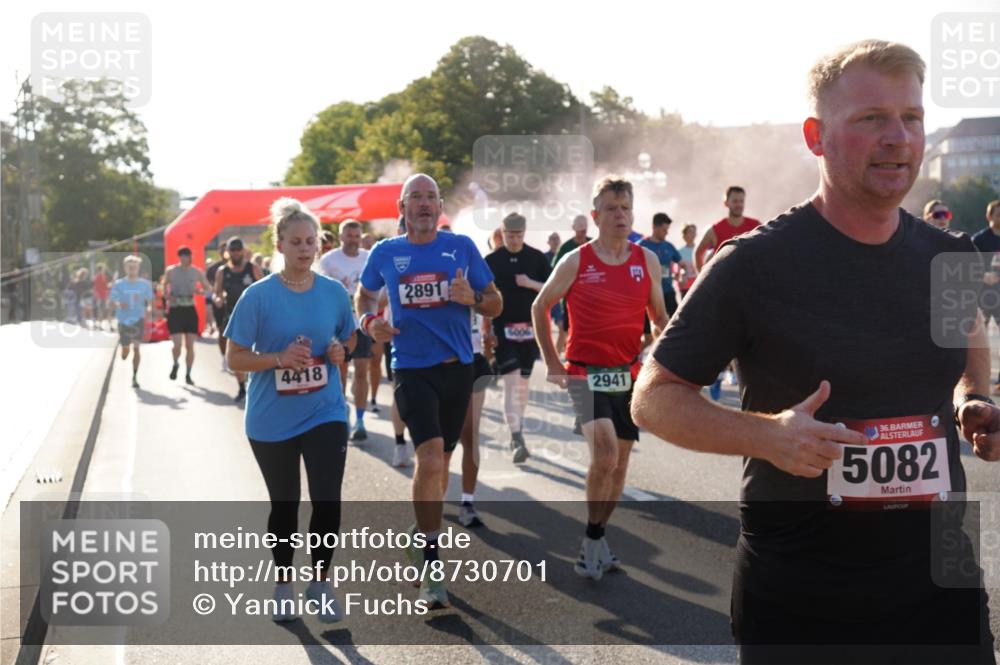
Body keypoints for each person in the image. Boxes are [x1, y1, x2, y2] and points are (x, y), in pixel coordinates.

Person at [631, 40, 999, 664]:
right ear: (816, 136)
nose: (897, 137)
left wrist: (975, 400)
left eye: (911, 117)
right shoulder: (753, 264)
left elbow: (969, 344)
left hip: (942, 594)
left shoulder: (949, 256)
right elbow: (653, 398)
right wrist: (769, 436)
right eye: (870, 118)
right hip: (805, 604)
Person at [358, 173, 502, 608]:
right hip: (411, 369)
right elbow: (364, 298)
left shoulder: (459, 247)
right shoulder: (386, 252)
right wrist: (370, 323)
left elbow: (496, 301)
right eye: (415, 198)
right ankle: (432, 567)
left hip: (457, 369)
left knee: (441, 467)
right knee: (429, 455)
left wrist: (472, 299)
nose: (423, 204)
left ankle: (422, 534)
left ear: (439, 206)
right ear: (402, 208)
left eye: (430, 197)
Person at [225, 197, 356, 624]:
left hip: (325, 410)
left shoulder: (334, 293)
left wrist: (340, 351)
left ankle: (319, 583)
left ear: (318, 245)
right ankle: (283, 584)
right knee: (285, 503)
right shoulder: (257, 297)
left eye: (310, 241)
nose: (304, 248)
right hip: (271, 418)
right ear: (279, 244)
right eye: (295, 241)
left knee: (326, 498)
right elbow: (235, 358)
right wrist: (278, 358)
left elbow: (348, 341)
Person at [531, 176, 667, 581]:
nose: (620, 214)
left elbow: (659, 319)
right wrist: (552, 361)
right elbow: (541, 306)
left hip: (629, 373)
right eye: (611, 208)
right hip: (583, 372)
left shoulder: (648, 261)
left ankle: (598, 535)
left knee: (621, 464)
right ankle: (591, 540)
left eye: (626, 207)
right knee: (605, 454)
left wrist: (671, 354)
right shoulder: (576, 260)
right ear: (596, 216)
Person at [485, 212, 551, 463]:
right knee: (512, 382)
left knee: (522, 385)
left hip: (530, 328)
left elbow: (553, 289)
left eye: (518, 235)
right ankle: (516, 437)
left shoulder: (536, 258)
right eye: (510, 235)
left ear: (525, 233)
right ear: (502, 233)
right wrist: (486, 332)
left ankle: (518, 427)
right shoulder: (491, 260)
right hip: (503, 329)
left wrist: (529, 283)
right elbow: (481, 298)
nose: (514, 240)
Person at [320, 219, 372, 441]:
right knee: (340, 371)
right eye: (349, 235)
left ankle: (360, 420)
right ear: (341, 236)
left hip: (361, 323)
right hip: (338, 325)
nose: (353, 240)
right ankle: (342, 413)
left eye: (356, 236)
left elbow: (378, 289)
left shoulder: (368, 258)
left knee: (362, 370)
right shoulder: (328, 260)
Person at [448, 309, 495, 527]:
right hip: (442, 361)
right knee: (443, 441)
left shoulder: (478, 277)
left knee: (470, 434)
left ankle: (468, 502)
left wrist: (488, 337)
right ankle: (433, 497)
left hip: (474, 361)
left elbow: (489, 308)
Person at [214, 237, 264, 401]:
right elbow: (217, 292)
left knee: (256, 351)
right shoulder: (222, 271)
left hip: (254, 315)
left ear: (243, 250)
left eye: (238, 249)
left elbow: (265, 289)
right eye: (232, 250)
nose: (236, 252)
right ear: (227, 252)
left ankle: (255, 382)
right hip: (232, 315)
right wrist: (218, 298)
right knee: (235, 352)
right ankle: (242, 387)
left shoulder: (253, 268)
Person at [163, 246, 213, 385]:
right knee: (177, 345)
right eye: (184, 256)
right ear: (180, 257)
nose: (187, 258)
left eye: (189, 256)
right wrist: (167, 295)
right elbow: (163, 285)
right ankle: (175, 363)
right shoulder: (171, 271)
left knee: (190, 346)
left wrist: (200, 291)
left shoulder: (196, 272)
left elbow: (208, 287)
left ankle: (188, 374)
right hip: (175, 310)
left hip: (190, 309)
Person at [110, 256, 154, 388]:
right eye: (130, 267)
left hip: (138, 318)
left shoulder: (144, 284)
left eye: (134, 267)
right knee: (126, 349)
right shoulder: (118, 284)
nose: (132, 269)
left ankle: (134, 377)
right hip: (123, 319)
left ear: (138, 268)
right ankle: (124, 350)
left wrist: (149, 308)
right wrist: (118, 303)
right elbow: (113, 300)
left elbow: (151, 299)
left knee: (137, 348)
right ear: (125, 268)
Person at [639, 212, 682, 347]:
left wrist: (681, 274)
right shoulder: (641, 245)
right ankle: (632, 358)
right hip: (648, 296)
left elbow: (682, 264)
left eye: (667, 230)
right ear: (654, 227)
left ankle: (670, 356)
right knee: (648, 336)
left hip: (668, 292)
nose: (666, 233)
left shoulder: (668, 246)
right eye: (664, 230)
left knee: (676, 326)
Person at [971, 199, 1000, 392]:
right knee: (977, 342)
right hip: (982, 296)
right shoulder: (979, 240)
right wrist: (983, 276)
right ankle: (976, 382)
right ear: (989, 216)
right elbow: (967, 267)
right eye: (999, 214)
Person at [694, 186, 761, 271]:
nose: (739, 205)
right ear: (726, 203)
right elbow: (698, 253)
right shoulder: (715, 230)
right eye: (735, 201)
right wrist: (701, 275)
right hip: (724, 281)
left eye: (741, 201)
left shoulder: (756, 226)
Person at [205, 242, 228, 354]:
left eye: (227, 249)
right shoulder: (213, 269)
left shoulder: (240, 266)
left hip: (235, 303)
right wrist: (218, 295)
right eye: (222, 250)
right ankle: (224, 356)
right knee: (222, 331)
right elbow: (210, 285)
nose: (225, 252)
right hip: (219, 303)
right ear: (219, 252)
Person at [677, 224, 698, 299]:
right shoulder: (679, 252)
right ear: (684, 234)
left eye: (694, 232)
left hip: (698, 285)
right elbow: (676, 271)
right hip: (685, 287)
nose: (693, 234)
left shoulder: (700, 250)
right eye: (690, 232)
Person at [92, 263, 111, 330]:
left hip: (102, 296)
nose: (104, 270)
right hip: (101, 296)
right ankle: (99, 325)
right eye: (103, 269)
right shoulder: (100, 277)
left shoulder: (100, 277)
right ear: (100, 270)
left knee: (102, 310)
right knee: (101, 310)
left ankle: (98, 324)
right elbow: (98, 287)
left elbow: (102, 287)